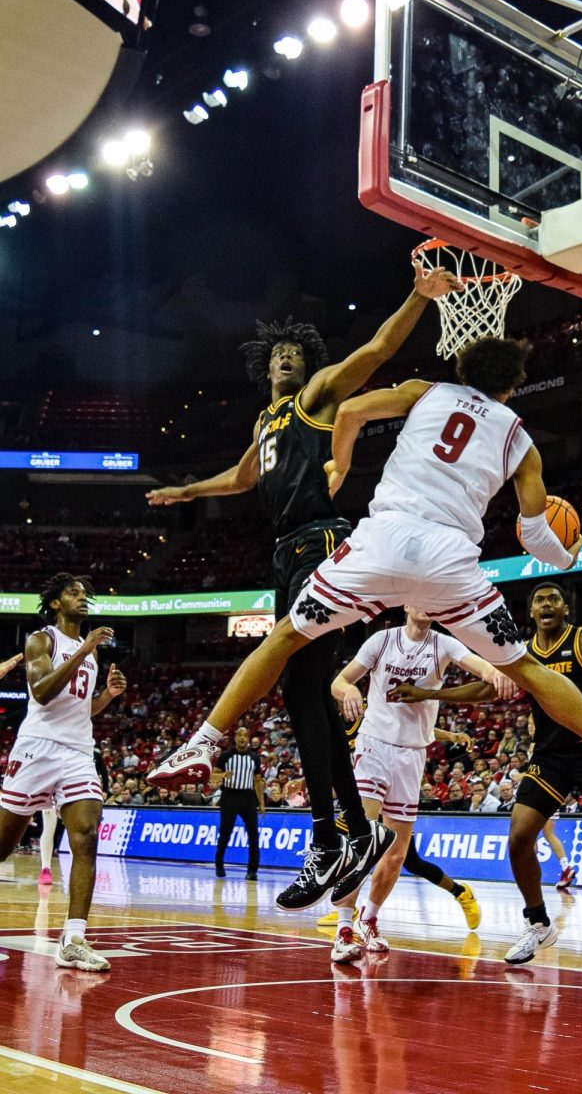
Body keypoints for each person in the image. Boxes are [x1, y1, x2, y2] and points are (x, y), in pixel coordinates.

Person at [149, 338, 582, 910]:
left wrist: (341, 463)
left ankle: (201, 743)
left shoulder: (426, 391)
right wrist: (569, 555)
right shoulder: (520, 440)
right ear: (513, 385)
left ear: (461, 369)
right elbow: (536, 538)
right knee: (524, 667)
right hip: (449, 562)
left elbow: (350, 410)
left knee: (286, 638)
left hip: (382, 543)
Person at [146, 259, 460, 909]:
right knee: (304, 694)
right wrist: (187, 490)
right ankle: (348, 835)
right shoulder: (263, 426)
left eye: (295, 351)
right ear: (265, 367)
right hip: (286, 552)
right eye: (279, 354)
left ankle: (328, 835)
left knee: (301, 686)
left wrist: (418, 297)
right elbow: (238, 479)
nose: (288, 358)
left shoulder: (315, 398)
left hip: (321, 539)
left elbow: (374, 352)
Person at [393, 581, 582, 974]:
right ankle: (538, 923)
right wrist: (429, 694)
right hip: (550, 758)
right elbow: (486, 687)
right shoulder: (522, 653)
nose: (546, 604)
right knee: (519, 836)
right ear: (530, 613)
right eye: (539, 601)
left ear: (566, 608)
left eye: (553, 599)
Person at [325, 607, 502, 963]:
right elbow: (339, 681)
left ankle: (369, 920)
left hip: (412, 755)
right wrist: (348, 691)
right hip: (374, 745)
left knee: (397, 854)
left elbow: (486, 671)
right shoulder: (382, 640)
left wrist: (497, 672)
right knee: (364, 840)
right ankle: (344, 929)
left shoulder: (445, 645)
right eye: (419, 599)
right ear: (407, 605)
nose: (426, 605)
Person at [0, 574, 126, 970]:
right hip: (37, 749)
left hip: (77, 752)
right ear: (55, 603)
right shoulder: (42, 640)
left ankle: (73, 939)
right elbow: (41, 691)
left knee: (86, 837)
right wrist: (85, 648)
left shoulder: (89, 654)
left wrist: (108, 695)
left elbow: (80, 710)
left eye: (85, 593)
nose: (83, 598)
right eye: (73, 592)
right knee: (2, 847)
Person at [213, 726, 265, 879]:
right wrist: (223, 774)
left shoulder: (254, 757)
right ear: (235, 738)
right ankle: (219, 863)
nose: (242, 738)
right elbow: (213, 776)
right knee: (225, 832)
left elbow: (257, 780)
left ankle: (252, 870)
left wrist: (261, 802)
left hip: (248, 797)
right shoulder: (225, 756)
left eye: (245, 735)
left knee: (253, 835)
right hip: (229, 796)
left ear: (248, 739)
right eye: (240, 735)